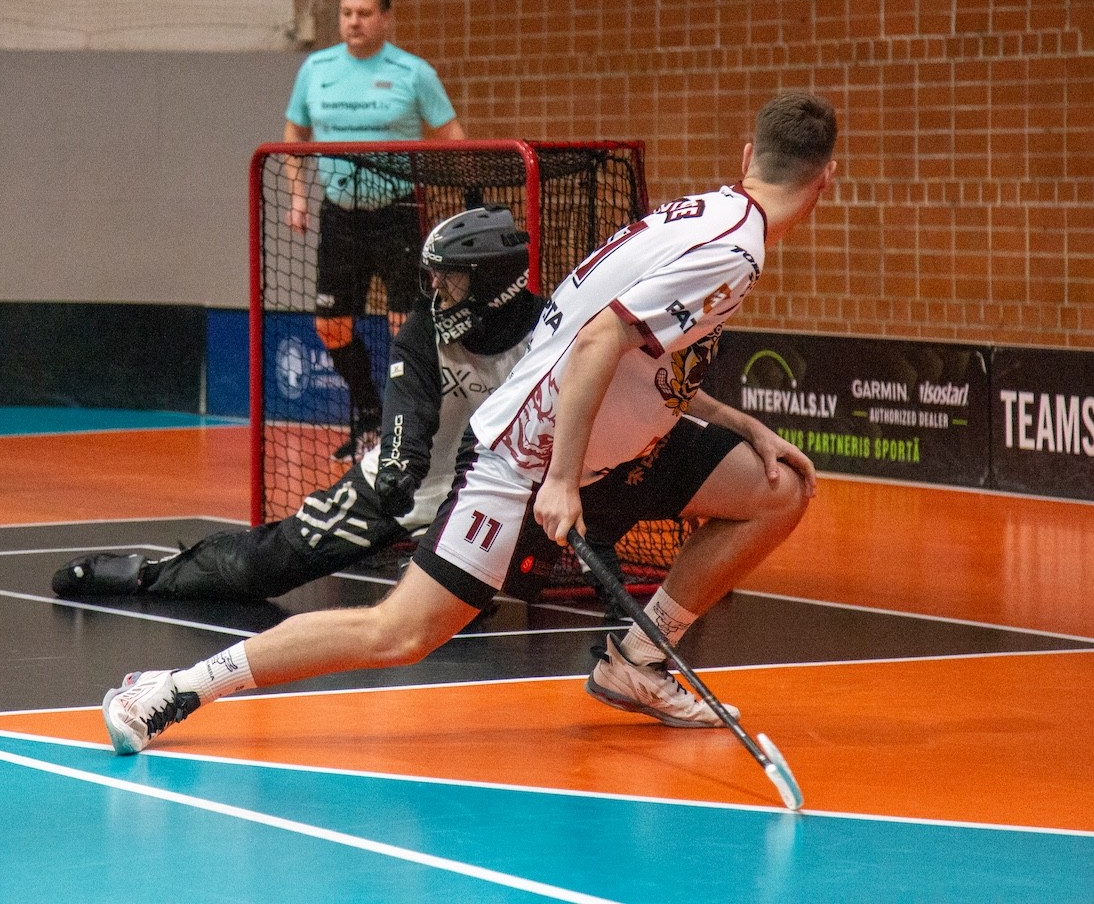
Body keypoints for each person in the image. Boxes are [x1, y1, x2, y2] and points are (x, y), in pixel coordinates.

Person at [104, 90, 838, 754]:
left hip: (614, 448)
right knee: (399, 633)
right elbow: (595, 343)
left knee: (776, 489)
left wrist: (741, 424)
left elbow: (639, 355)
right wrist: (559, 479)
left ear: (748, 155)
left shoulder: (710, 213)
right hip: (527, 460)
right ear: (826, 179)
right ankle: (175, 688)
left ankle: (640, 662)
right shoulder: (732, 252)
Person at [53, 207, 537, 603]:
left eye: (451, 282)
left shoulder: (548, 336)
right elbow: (408, 414)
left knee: (454, 599)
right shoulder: (422, 331)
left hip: (492, 497)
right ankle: (148, 574)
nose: (437, 295)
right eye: (435, 280)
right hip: (408, 486)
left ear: (493, 286)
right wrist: (397, 469)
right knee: (263, 567)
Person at [284, 0, 467, 461]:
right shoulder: (316, 69)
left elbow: (453, 136)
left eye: (364, 13)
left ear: (385, 18)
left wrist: (459, 200)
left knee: (405, 328)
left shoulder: (413, 72)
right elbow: (294, 134)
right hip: (339, 216)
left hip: (398, 215)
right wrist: (298, 197)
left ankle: (402, 429)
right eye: (346, 13)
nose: (354, 22)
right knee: (331, 326)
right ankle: (367, 415)